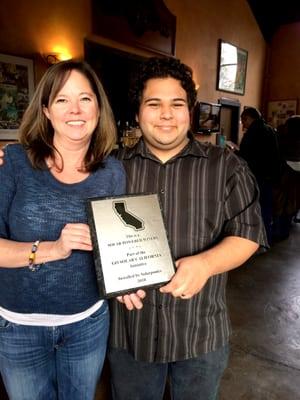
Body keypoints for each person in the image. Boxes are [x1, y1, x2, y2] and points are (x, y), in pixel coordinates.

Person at [107, 57, 268, 400]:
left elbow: (249, 232)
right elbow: (89, 232)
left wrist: (206, 264)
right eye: (154, 104)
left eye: (177, 104)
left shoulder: (226, 167)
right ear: (138, 112)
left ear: (189, 111)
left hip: (199, 334)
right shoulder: (112, 168)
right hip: (130, 334)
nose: (166, 114)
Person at [0, 60, 126, 400]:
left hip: (88, 323)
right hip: (19, 328)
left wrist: (129, 279)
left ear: (99, 109)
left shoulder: (113, 172)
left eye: (85, 99)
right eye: (62, 100)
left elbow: (116, 246)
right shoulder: (13, 163)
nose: (75, 110)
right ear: (46, 110)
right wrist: (53, 248)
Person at [238, 107, 281, 244]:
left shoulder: (252, 133)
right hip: (269, 177)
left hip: (256, 177)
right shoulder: (270, 130)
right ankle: (266, 238)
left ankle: (255, 240)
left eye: (243, 120)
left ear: (249, 118)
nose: (243, 124)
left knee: (254, 209)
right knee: (266, 209)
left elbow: (246, 156)